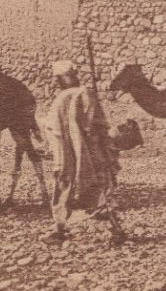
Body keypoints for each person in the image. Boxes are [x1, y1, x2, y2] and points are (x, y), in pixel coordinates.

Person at [43, 59, 127, 246]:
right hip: (79, 152)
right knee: (93, 188)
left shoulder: (74, 96)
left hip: (78, 153)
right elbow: (96, 123)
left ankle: (114, 230)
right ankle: (62, 230)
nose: (58, 81)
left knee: (79, 188)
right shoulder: (78, 95)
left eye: (60, 77)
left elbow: (87, 126)